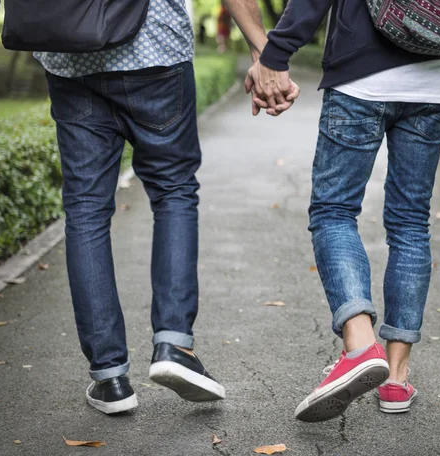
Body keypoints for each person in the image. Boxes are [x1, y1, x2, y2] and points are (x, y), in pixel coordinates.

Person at [246, 0, 440, 421]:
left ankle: (360, 345)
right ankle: (396, 378)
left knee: (334, 212)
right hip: (435, 85)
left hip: (359, 81)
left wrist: (276, 55)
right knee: (410, 223)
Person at [34, 0, 297, 415]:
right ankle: (174, 345)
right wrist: (264, 49)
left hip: (70, 53)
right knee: (173, 192)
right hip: (154, 50)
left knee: (85, 209)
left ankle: (110, 378)